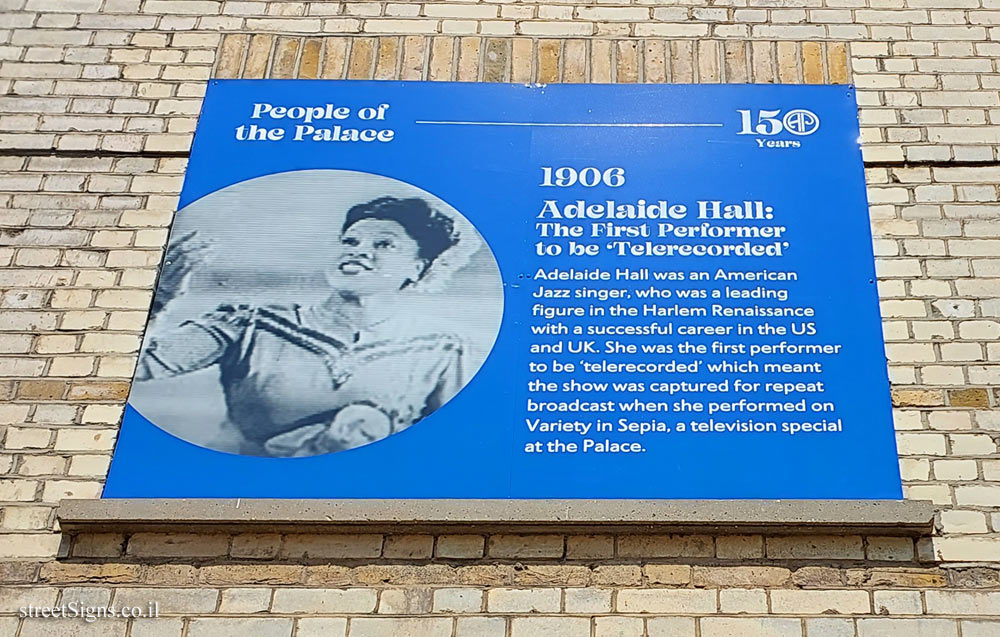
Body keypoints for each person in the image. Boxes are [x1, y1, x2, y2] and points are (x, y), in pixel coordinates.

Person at [135, 196, 466, 457]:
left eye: (384, 244)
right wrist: (160, 297)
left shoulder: (439, 348)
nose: (360, 251)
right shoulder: (250, 324)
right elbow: (133, 368)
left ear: (418, 268)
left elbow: (448, 444)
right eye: (350, 241)